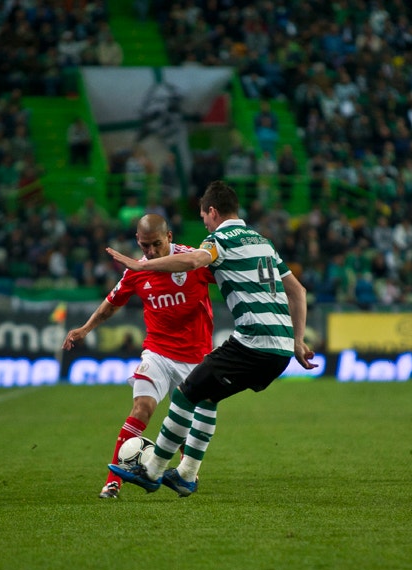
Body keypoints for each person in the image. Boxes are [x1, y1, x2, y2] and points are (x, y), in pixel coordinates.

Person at [104, 180, 317, 497]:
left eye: (204, 215)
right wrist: (298, 341)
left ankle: (152, 470)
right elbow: (298, 291)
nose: (203, 221)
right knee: (206, 398)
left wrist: (140, 265)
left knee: (185, 394)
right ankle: (186, 475)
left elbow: (192, 261)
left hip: (253, 342)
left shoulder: (220, 239)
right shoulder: (263, 242)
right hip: (282, 348)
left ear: (213, 211)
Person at [62, 214, 216, 499]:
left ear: (169, 237)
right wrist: (85, 328)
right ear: (138, 241)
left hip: (195, 356)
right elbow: (112, 303)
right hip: (158, 352)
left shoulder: (193, 260)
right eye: (145, 246)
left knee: (185, 422)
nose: (151, 252)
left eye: (157, 244)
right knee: (141, 408)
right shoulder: (137, 270)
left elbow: (226, 280)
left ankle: (185, 471)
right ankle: (113, 482)